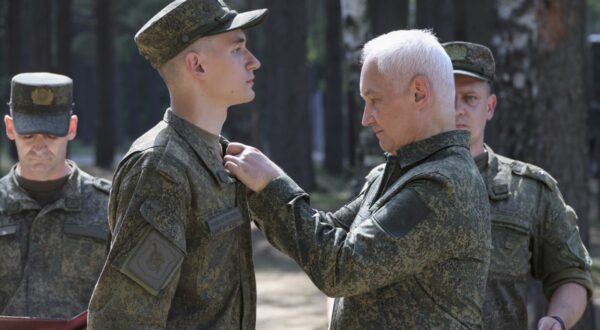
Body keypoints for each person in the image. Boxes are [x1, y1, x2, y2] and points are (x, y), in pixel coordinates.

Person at [224, 30, 491, 329]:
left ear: (418, 93)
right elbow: (327, 232)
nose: (366, 118)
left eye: (375, 100)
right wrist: (260, 190)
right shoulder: (400, 173)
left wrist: (273, 185)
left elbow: (342, 266)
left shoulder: (443, 185)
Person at [87, 0, 267, 328]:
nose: (254, 62)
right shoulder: (162, 170)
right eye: (238, 49)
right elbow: (127, 318)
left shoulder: (215, 156)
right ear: (197, 66)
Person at [443, 41, 593, 330]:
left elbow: (571, 273)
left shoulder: (528, 191)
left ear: (490, 107)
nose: (457, 110)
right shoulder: (395, 181)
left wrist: (558, 319)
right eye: (448, 98)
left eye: (470, 98)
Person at [0, 72, 110, 318]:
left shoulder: (109, 208)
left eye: (51, 135)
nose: (39, 147)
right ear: (10, 127)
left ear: (71, 128)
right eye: (28, 135)